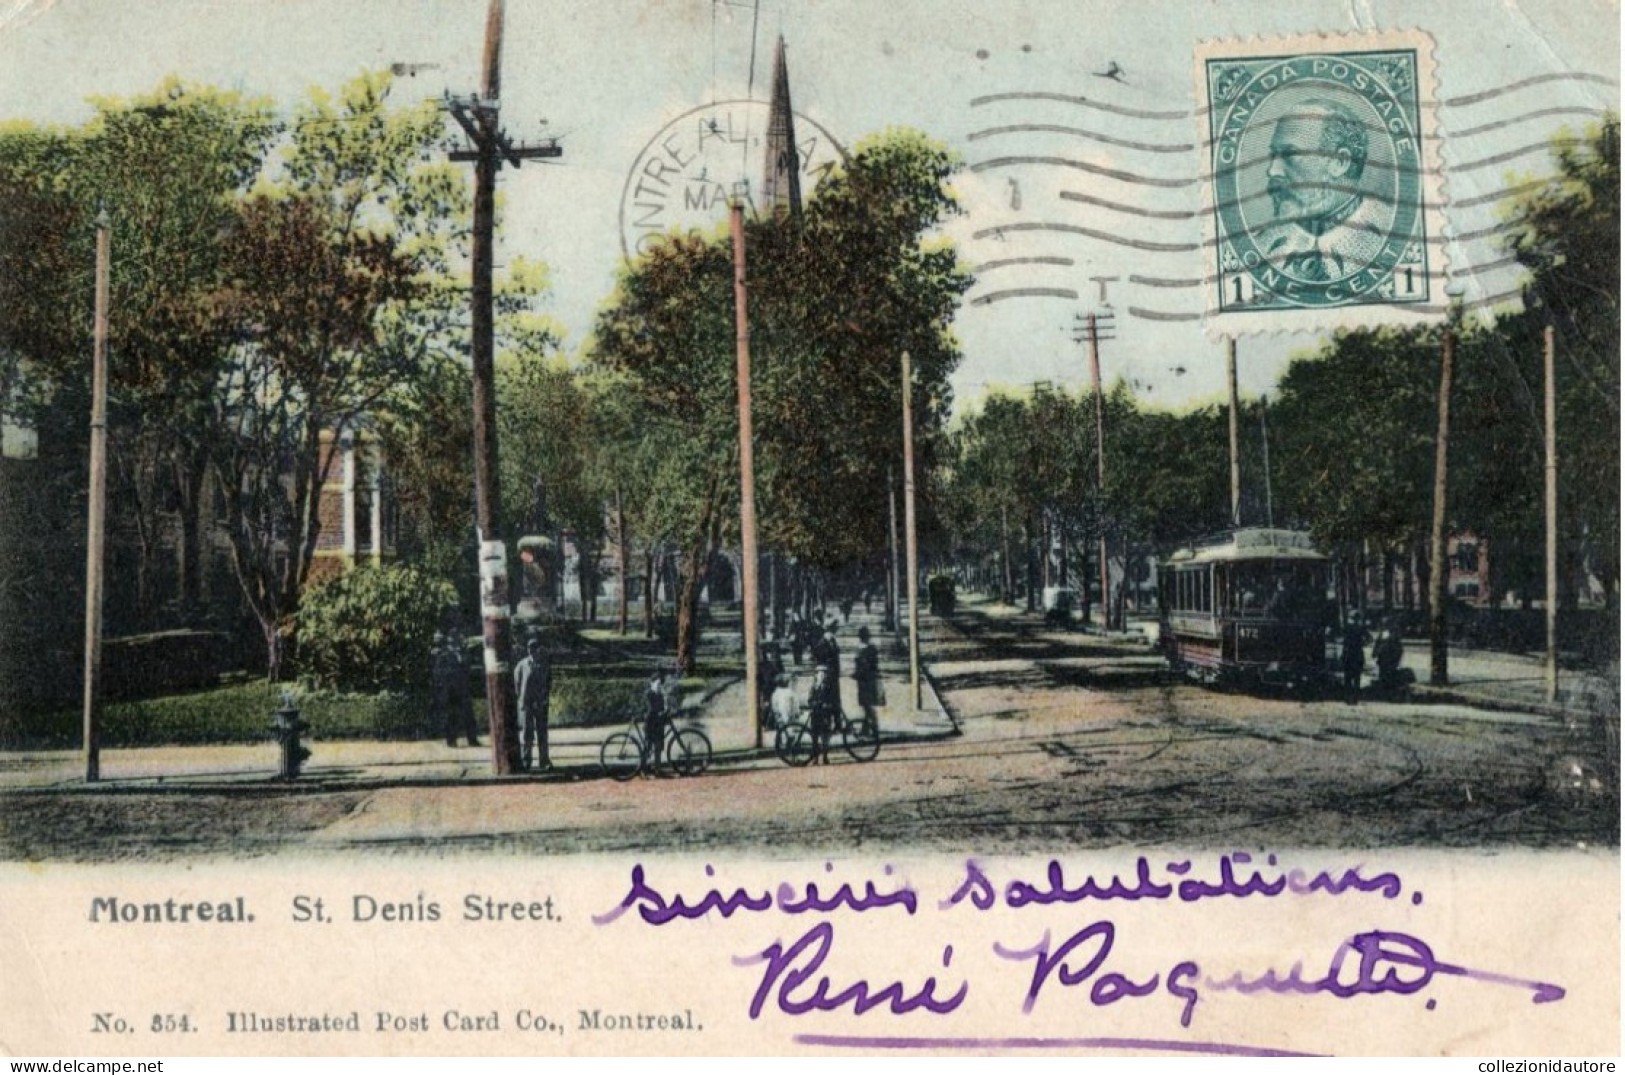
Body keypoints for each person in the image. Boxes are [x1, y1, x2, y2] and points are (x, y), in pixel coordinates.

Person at [1256, 97, 1388, 284]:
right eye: (1273, 155)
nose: (1272, 171)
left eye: (1289, 155)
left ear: (1339, 162)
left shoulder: (1388, 233)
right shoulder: (1263, 244)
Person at [435, 631, 480, 748]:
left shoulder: (463, 653)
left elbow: (468, 669)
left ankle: (472, 739)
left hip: (463, 688)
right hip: (451, 691)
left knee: (468, 715)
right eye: (455, 640)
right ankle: (451, 740)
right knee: (452, 716)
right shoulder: (443, 654)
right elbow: (439, 673)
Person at [513, 637, 552, 770]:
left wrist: (544, 699)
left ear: (539, 649)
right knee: (527, 734)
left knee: (542, 733)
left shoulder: (544, 665)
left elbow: (547, 684)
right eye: (530, 647)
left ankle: (544, 760)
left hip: (540, 704)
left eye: (534, 647)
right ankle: (526, 761)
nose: (532, 650)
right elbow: (517, 684)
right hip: (526, 704)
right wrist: (522, 699)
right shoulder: (522, 665)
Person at [807, 664, 841, 763]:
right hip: (816, 713)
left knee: (825, 736)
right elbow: (809, 699)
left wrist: (828, 705)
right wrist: (814, 704)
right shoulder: (814, 686)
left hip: (826, 713)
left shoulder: (830, 686)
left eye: (824, 673)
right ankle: (816, 757)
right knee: (815, 736)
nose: (822, 675)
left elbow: (834, 700)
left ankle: (825, 756)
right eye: (819, 673)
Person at [853, 625, 882, 730]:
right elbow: (875, 664)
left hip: (863, 680)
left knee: (866, 704)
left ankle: (872, 725)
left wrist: (856, 674)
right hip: (870, 679)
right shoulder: (872, 648)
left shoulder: (860, 650)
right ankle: (867, 726)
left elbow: (860, 665)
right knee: (867, 703)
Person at [642, 665, 668, 769]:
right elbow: (654, 706)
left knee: (655, 746)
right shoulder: (653, 689)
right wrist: (662, 711)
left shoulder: (657, 689)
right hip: (652, 720)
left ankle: (655, 768)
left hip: (655, 720)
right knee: (652, 745)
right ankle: (646, 768)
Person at [1341, 614, 1368, 705]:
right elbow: (1369, 639)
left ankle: (1347, 698)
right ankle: (1355, 698)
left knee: (1347, 677)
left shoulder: (1347, 628)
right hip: (1358, 654)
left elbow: (1343, 640)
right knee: (1357, 677)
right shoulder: (1361, 628)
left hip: (1348, 654)